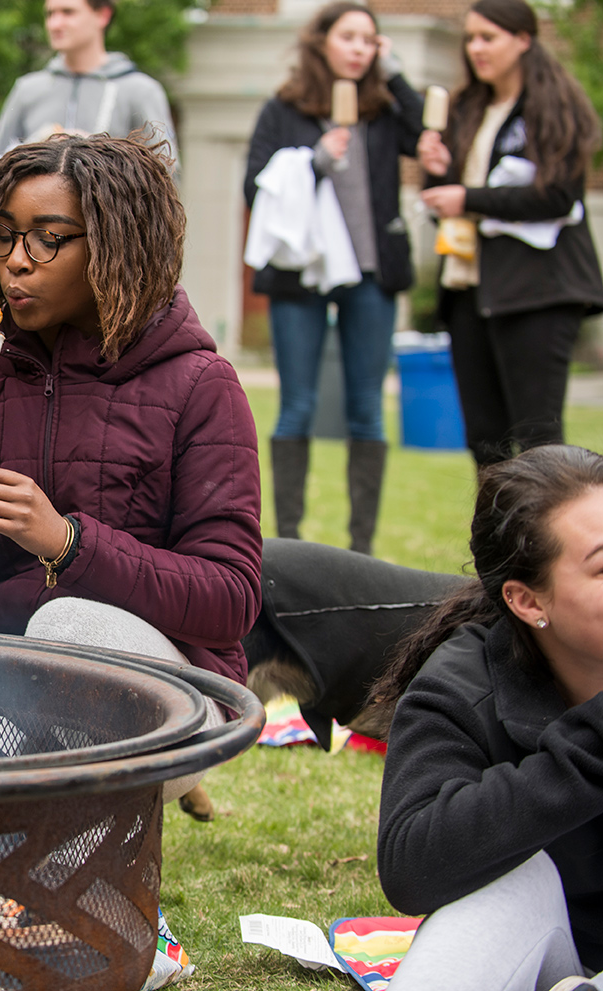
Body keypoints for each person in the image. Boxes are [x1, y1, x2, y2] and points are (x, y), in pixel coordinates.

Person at [0, 135, 262, 821]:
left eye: (49, 239)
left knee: (67, 623)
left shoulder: (201, 385)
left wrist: (66, 545)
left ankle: (25, 851)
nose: (16, 262)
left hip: (164, 694)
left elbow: (230, 600)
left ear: (117, 245)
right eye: (2, 237)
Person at [372, 445, 603, 991]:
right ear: (527, 601)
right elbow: (411, 863)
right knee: (512, 879)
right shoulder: (462, 688)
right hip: (558, 939)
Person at [243, 2, 423, 555]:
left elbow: (428, 140)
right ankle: (289, 545)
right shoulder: (285, 107)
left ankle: (360, 549)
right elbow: (255, 186)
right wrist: (314, 163)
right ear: (323, 42)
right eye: (349, 37)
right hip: (302, 276)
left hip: (371, 274)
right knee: (295, 403)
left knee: (366, 409)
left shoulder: (385, 109)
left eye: (370, 41)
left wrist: (395, 75)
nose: (359, 49)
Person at [417, 0, 603, 469]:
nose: (476, 48)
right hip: (468, 289)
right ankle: (495, 545)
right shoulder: (467, 108)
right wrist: (437, 176)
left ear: (523, 39)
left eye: (488, 37)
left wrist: (467, 197)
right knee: (485, 441)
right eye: (471, 38)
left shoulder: (553, 104)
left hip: (537, 290)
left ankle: (546, 544)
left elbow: (558, 195)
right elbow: (453, 206)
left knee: (538, 440)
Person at [0, 0, 179, 209]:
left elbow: (165, 182)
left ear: (102, 14)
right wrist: (35, 143)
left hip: (108, 238)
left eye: (68, 12)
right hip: (36, 237)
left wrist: (98, 156)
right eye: (50, 13)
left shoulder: (140, 90)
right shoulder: (27, 89)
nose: (54, 24)